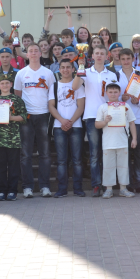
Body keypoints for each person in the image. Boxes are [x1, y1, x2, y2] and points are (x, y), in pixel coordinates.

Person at [72, 44, 118, 197]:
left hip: (108, 116)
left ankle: (108, 184)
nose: (99, 56)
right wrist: (80, 69)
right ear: (92, 56)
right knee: (94, 153)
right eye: (96, 53)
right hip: (91, 116)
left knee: (107, 152)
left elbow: (114, 95)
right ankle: (96, 185)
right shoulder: (85, 72)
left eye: (102, 53)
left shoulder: (111, 74)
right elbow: (74, 87)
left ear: (107, 56)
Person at [14, 42, 55, 198]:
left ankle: (45, 186)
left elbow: (52, 95)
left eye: (35, 50)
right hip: (27, 117)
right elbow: (17, 95)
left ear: (40, 53)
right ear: (27, 54)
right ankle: (27, 187)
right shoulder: (21, 73)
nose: (33, 53)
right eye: (30, 51)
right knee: (26, 154)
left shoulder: (48, 73)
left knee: (45, 153)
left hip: (44, 115)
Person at [49, 59, 85, 198]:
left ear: (73, 69)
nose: (65, 70)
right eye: (62, 67)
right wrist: (62, 120)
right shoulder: (54, 85)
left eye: (68, 67)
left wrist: (70, 121)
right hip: (59, 126)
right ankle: (62, 189)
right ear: (59, 69)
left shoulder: (78, 84)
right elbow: (51, 105)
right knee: (61, 160)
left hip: (76, 126)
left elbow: (81, 106)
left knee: (77, 160)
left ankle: (78, 188)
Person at [0, 74, 28, 201]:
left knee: (13, 166)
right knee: (0, 166)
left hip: (13, 138)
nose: (5, 85)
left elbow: (24, 117)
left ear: (11, 85)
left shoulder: (17, 100)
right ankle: (2, 190)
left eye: (7, 83)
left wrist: (10, 117)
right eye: (2, 83)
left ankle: (12, 191)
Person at [115, 48, 140, 193]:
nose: (126, 61)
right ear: (119, 60)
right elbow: (110, 97)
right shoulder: (115, 76)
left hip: (138, 118)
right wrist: (120, 98)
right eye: (123, 59)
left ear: (132, 59)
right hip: (121, 119)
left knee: (139, 152)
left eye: (128, 58)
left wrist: (137, 101)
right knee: (125, 152)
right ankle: (126, 183)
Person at [95, 83, 137, 198]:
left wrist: (134, 138)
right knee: (108, 166)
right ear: (106, 93)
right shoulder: (103, 107)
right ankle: (108, 189)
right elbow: (97, 124)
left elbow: (132, 122)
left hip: (122, 141)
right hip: (108, 142)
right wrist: (105, 121)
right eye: (110, 92)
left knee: (123, 166)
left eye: (115, 92)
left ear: (119, 93)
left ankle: (123, 188)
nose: (113, 94)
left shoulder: (126, 106)